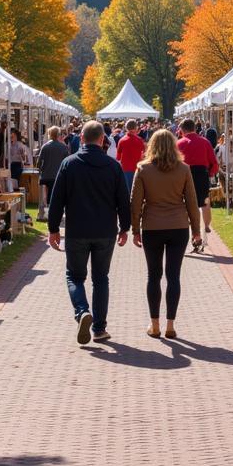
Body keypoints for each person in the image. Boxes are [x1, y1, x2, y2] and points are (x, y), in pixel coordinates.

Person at [47, 119, 130, 345]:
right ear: (103, 140)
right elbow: (123, 200)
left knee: (74, 276)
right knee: (101, 278)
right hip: (105, 230)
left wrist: (53, 229)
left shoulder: (69, 164)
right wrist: (125, 227)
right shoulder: (113, 166)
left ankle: (82, 310)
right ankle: (99, 328)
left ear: (81, 138)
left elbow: (57, 200)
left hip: (77, 230)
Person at [130, 129, 201, 338]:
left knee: (154, 275)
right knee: (174, 276)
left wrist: (135, 229)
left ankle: (155, 324)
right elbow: (192, 202)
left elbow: (135, 203)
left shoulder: (143, 169)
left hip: (152, 226)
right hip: (178, 226)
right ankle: (171, 324)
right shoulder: (184, 169)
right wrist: (196, 230)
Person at [177, 118, 219, 251]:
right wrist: (211, 174)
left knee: (184, 203)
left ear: (182, 130)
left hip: (184, 175)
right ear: (195, 128)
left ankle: (189, 226)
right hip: (201, 174)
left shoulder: (179, 143)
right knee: (205, 201)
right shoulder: (205, 142)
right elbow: (214, 162)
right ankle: (206, 224)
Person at [37, 126, 70, 222]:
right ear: (58, 134)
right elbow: (67, 161)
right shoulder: (63, 147)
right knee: (57, 196)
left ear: (49, 134)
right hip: (58, 176)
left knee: (46, 196)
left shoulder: (45, 146)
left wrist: (40, 169)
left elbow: (39, 162)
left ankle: (47, 214)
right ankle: (55, 213)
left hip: (46, 175)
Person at [115, 119, 145, 193]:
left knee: (127, 192)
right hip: (138, 169)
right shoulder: (140, 140)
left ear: (126, 128)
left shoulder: (122, 140)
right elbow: (143, 155)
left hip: (125, 169)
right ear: (136, 128)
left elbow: (118, 157)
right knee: (136, 192)